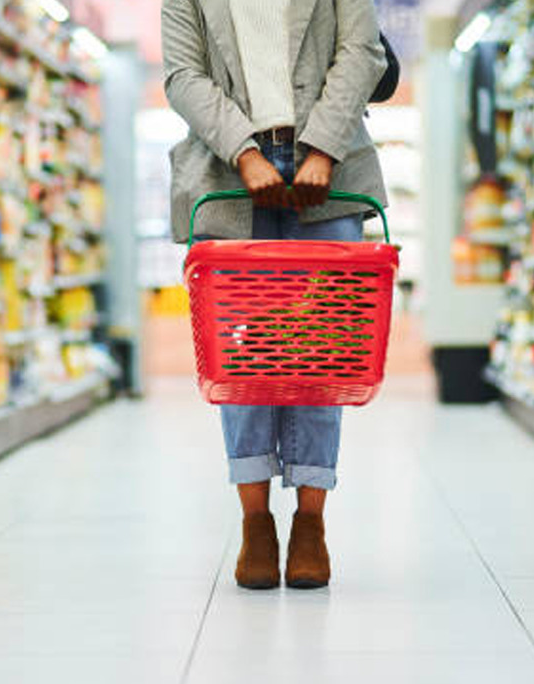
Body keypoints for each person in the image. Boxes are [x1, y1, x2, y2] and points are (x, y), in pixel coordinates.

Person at [162, 0, 388, 589]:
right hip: (227, 172)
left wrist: (323, 148)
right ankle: (256, 522)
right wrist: (244, 150)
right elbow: (183, 75)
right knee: (242, 358)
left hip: (330, 171)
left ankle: (310, 522)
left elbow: (362, 51)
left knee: (322, 352)